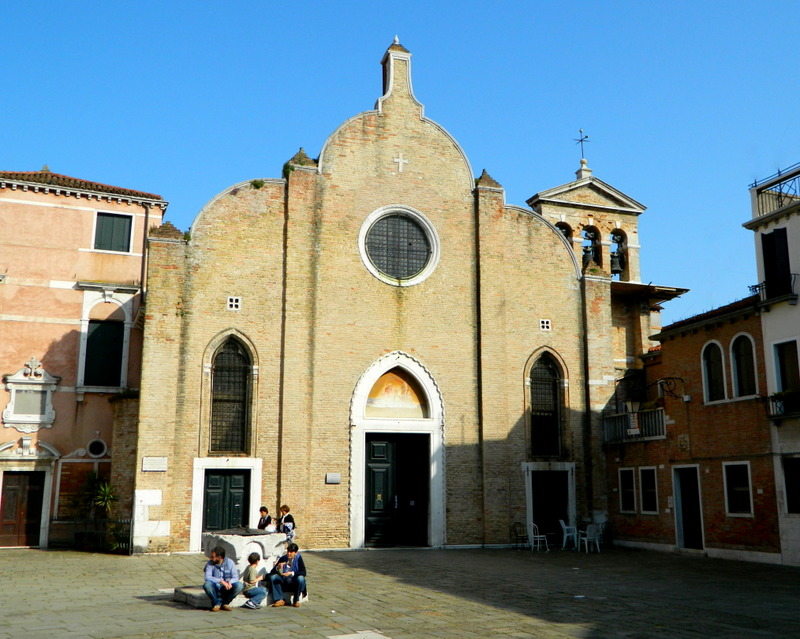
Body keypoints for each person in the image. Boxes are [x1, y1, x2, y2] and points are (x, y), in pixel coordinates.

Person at [203, 545, 243, 611]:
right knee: (207, 585)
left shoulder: (230, 563)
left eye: (213, 557)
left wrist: (230, 582)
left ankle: (225, 602)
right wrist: (221, 581)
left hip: (227, 588)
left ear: (219, 557)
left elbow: (235, 577)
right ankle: (217, 603)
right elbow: (207, 577)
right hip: (215, 587)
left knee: (239, 585)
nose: (211, 558)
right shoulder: (209, 564)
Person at [269, 542, 307, 607]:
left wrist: (292, 573)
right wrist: (278, 567)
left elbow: (303, 572)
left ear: (295, 553)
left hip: (294, 581)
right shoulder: (283, 558)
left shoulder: (298, 559)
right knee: (274, 577)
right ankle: (280, 599)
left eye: (291, 552)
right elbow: (272, 571)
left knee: (301, 578)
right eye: (288, 552)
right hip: (284, 581)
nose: (289, 554)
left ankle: (296, 600)